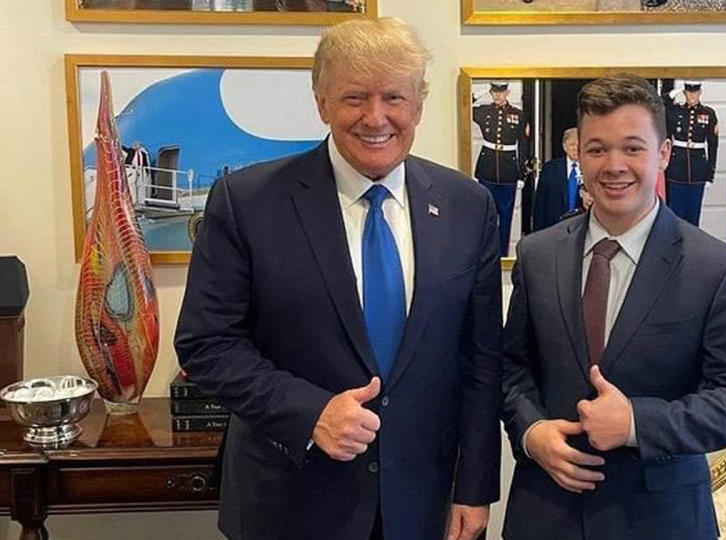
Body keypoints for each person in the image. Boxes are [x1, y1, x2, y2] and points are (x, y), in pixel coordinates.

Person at [174, 17, 502, 540]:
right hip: (289, 499)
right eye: (354, 97)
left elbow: (482, 360)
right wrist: (310, 412)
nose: (376, 117)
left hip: (424, 500)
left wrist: (475, 486)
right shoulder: (247, 202)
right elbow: (207, 344)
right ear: (321, 101)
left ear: (418, 103)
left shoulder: (469, 205)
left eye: (394, 97)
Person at [501, 73, 726, 540]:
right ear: (578, 153)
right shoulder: (537, 254)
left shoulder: (718, 268)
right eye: (597, 148)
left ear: (664, 153)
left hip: (659, 520)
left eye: (632, 148)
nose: (614, 165)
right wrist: (530, 432)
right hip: (545, 512)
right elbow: (511, 368)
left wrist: (636, 423)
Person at [472, 82, 529, 255]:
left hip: (508, 171)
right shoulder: (483, 111)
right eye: (494, 92)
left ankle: (502, 254)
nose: (498, 95)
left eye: (501, 92)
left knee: (505, 218)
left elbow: (524, 145)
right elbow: (465, 106)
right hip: (487, 169)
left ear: (508, 93)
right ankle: (486, 255)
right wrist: (479, 93)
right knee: (486, 217)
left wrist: (521, 174)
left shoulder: (518, 115)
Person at [664, 80, 719, 226]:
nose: (692, 95)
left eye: (695, 92)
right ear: (684, 92)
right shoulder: (676, 111)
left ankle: (691, 248)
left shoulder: (708, 113)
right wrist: (671, 94)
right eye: (688, 92)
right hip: (676, 170)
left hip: (698, 171)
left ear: (700, 92)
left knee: (694, 216)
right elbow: (659, 104)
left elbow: (713, 146)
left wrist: (710, 174)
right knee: (675, 216)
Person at [533, 127, 581, 231]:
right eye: (572, 145)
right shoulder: (550, 169)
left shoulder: (590, 169)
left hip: (580, 229)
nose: (575, 148)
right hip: (554, 228)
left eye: (579, 145)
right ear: (564, 146)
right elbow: (540, 204)